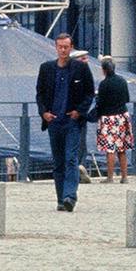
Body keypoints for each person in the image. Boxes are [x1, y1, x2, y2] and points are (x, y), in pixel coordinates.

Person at [34, 33, 94, 212]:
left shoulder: (80, 68)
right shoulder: (46, 69)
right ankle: (61, 199)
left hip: (72, 121)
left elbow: (89, 92)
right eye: (60, 47)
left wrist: (79, 111)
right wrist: (44, 112)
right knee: (58, 161)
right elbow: (40, 93)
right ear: (55, 47)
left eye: (66, 47)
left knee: (70, 159)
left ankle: (70, 196)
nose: (63, 50)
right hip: (54, 122)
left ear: (71, 47)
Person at [92, 57, 130, 184]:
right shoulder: (122, 81)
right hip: (123, 116)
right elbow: (127, 98)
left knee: (110, 149)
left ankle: (110, 177)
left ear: (104, 70)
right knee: (122, 148)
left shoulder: (104, 84)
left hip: (108, 118)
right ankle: (124, 177)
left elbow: (101, 103)